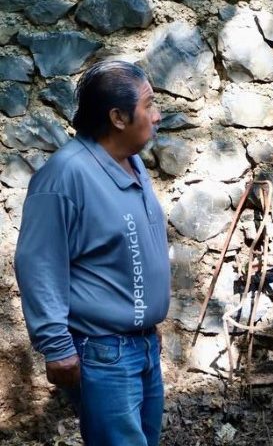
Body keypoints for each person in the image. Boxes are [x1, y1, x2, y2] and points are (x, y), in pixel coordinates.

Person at [14, 60, 170, 446]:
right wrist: (56, 347)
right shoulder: (65, 176)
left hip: (143, 346)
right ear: (118, 117)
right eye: (149, 105)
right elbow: (38, 265)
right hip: (104, 352)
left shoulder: (132, 162)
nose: (158, 115)